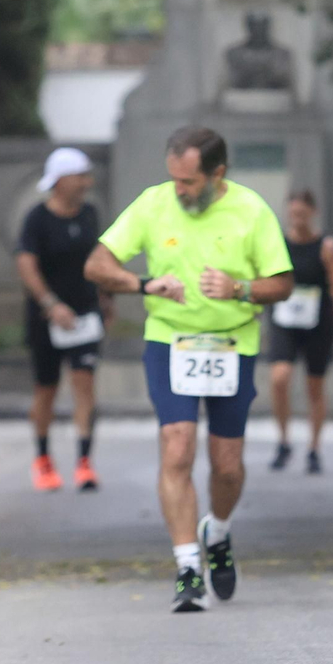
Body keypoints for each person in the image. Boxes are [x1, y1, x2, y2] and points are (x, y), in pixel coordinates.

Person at [85, 126, 293, 613]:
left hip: (232, 344)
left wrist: (240, 289)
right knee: (176, 447)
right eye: (174, 180)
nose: (180, 191)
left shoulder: (250, 209)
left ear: (217, 174)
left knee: (227, 465)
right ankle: (186, 569)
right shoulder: (153, 204)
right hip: (170, 342)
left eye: (189, 182)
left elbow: (283, 283)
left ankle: (216, 532)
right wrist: (143, 284)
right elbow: (97, 265)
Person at [16, 148, 111, 493]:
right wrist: (50, 303)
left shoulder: (89, 214)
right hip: (47, 319)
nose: (87, 182)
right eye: (81, 176)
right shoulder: (36, 219)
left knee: (84, 382)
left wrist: (106, 298)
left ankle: (85, 461)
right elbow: (26, 264)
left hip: (85, 314)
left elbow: (97, 258)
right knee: (47, 388)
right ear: (61, 181)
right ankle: (43, 458)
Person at [262, 191, 333, 475]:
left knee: (315, 386)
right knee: (280, 377)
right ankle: (283, 440)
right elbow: (264, 278)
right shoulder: (277, 243)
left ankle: (314, 448)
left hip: (317, 322)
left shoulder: (326, 247)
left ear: (313, 213)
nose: (297, 219)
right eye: (293, 214)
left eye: (302, 214)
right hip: (283, 319)